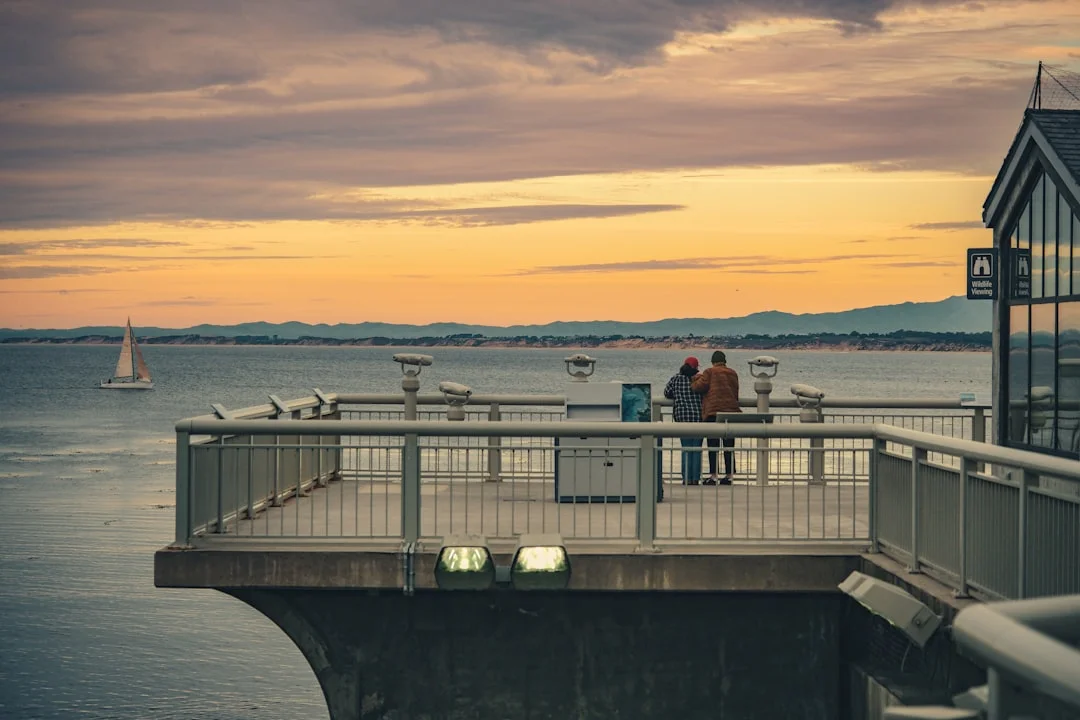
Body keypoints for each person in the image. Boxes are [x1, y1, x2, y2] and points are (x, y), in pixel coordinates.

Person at [691, 350, 740, 485]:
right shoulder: (733, 373)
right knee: (729, 445)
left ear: (713, 361)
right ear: (724, 361)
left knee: (713, 445)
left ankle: (713, 475)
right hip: (731, 412)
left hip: (714, 412)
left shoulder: (709, 372)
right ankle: (729, 475)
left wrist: (695, 378)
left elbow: (699, 387)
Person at [663, 356, 704, 485]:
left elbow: (667, 392)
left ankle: (686, 478)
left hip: (682, 416)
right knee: (697, 448)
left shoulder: (676, 379)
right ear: (696, 368)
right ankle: (695, 479)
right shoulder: (699, 379)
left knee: (686, 447)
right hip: (698, 416)